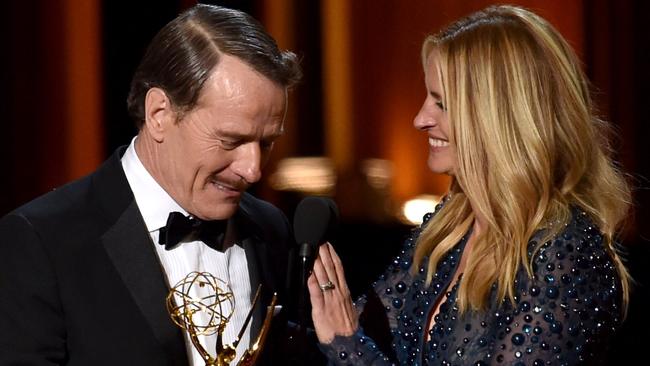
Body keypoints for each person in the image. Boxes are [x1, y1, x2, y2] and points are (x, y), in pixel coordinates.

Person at [308, 5, 631, 365]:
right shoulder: (450, 226)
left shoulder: (566, 254)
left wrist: (345, 346)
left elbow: (346, 339)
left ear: (498, 118)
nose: (419, 119)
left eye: (442, 104)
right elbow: (359, 327)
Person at [0, 4, 301, 366]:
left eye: (266, 143)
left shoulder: (272, 229)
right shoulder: (41, 241)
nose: (253, 170)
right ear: (159, 114)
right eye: (231, 140)